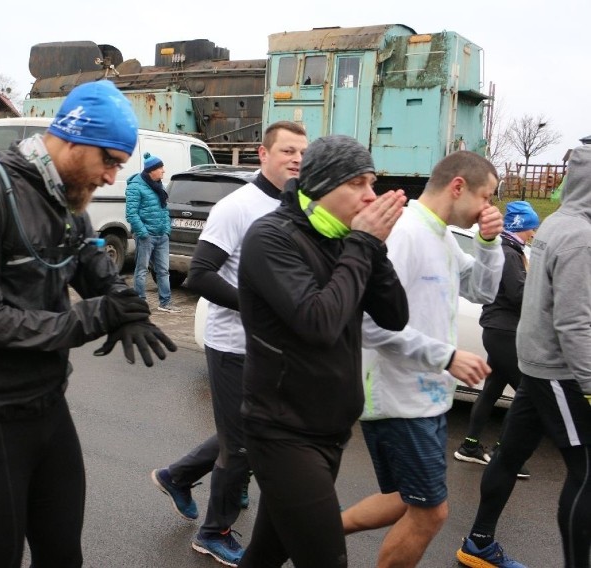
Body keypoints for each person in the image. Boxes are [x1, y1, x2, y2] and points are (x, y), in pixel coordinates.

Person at [0, 80, 177, 567]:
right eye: (108, 160)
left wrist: (125, 307)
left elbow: (99, 279)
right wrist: (96, 316)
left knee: (64, 555)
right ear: (75, 140)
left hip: (47, 403)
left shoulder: (68, 204)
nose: (111, 177)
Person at [236, 135, 409, 567]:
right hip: (282, 434)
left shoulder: (343, 240)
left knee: (264, 556)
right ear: (325, 184)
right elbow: (319, 323)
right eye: (358, 184)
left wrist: (373, 248)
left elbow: (395, 314)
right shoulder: (272, 238)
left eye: (372, 183)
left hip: (329, 432)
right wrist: (362, 245)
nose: (371, 195)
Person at [150, 121, 308, 566]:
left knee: (243, 432)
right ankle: (213, 531)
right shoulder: (237, 207)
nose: (296, 159)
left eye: (301, 152)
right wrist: (261, 309)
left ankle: (177, 476)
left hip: (271, 346)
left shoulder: (296, 206)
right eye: (287, 151)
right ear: (263, 153)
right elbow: (200, 275)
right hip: (234, 343)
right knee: (243, 442)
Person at [342, 150, 505, 568]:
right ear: (457, 186)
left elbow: (482, 291)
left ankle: (305, 528)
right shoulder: (406, 233)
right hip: (399, 399)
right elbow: (366, 323)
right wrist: (446, 355)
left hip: (427, 399)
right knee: (431, 513)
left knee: (403, 502)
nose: (489, 207)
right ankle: (301, 528)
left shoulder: (443, 235)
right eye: (486, 197)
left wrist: (488, 244)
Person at [456, 144, 591, 568]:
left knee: (510, 454)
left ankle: (478, 542)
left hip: (534, 362)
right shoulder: (580, 238)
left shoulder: (556, 225)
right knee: (586, 473)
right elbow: (574, 323)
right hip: (559, 370)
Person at [454, 200, 540, 480]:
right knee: (528, 392)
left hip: (499, 330)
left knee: (492, 390)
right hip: (504, 331)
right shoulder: (509, 252)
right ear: (521, 226)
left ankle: (470, 447)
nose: (533, 234)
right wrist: (542, 296)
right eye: (531, 228)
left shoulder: (511, 250)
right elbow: (517, 294)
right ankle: (504, 454)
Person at [126, 152, 181, 312]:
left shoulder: (159, 186)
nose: (164, 171)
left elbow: (164, 210)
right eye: (161, 168)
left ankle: (165, 303)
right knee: (141, 270)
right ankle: (140, 303)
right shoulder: (135, 187)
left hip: (161, 235)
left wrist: (166, 230)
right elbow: (131, 214)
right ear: (152, 170)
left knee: (163, 271)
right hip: (146, 236)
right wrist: (143, 233)